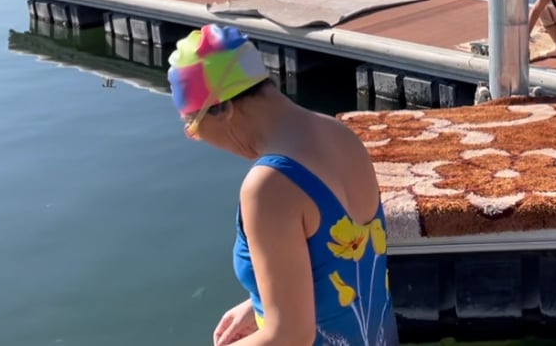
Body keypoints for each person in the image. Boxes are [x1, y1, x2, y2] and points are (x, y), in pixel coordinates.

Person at [167, 24, 398, 346]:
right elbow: (339, 265)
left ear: (224, 109)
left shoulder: (269, 187)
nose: (196, 136)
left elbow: (290, 336)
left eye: (192, 125)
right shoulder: (339, 135)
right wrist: (260, 300)